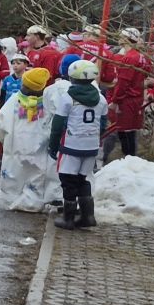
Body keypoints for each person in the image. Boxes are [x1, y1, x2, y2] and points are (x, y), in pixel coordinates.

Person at [46, 59, 109, 230]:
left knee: (68, 180)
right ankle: (88, 216)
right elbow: (103, 123)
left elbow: (57, 125)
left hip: (71, 144)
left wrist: (53, 145)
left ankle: (68, 218)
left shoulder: (67, 98)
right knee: (83, 179)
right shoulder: (101, 99)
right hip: (91, 145)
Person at [0, 66, 59, 214]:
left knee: (13, 173)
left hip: (15, 145)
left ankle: (10, 199)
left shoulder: (15, 100)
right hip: (38, 148)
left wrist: (1, 138)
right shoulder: (47, 103)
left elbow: (0, 121)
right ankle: (32, 202)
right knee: (35, 175)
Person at [100, 27, 149, 160]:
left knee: (125, 131)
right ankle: (130, 158)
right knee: (129, 131)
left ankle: (129, 159)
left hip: (127, 99)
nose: (119, 38)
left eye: (121, 36)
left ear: (127, 39)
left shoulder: (130, 57)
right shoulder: (141, 57)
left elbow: (123, 82)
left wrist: (115, 100)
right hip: (136, 97)